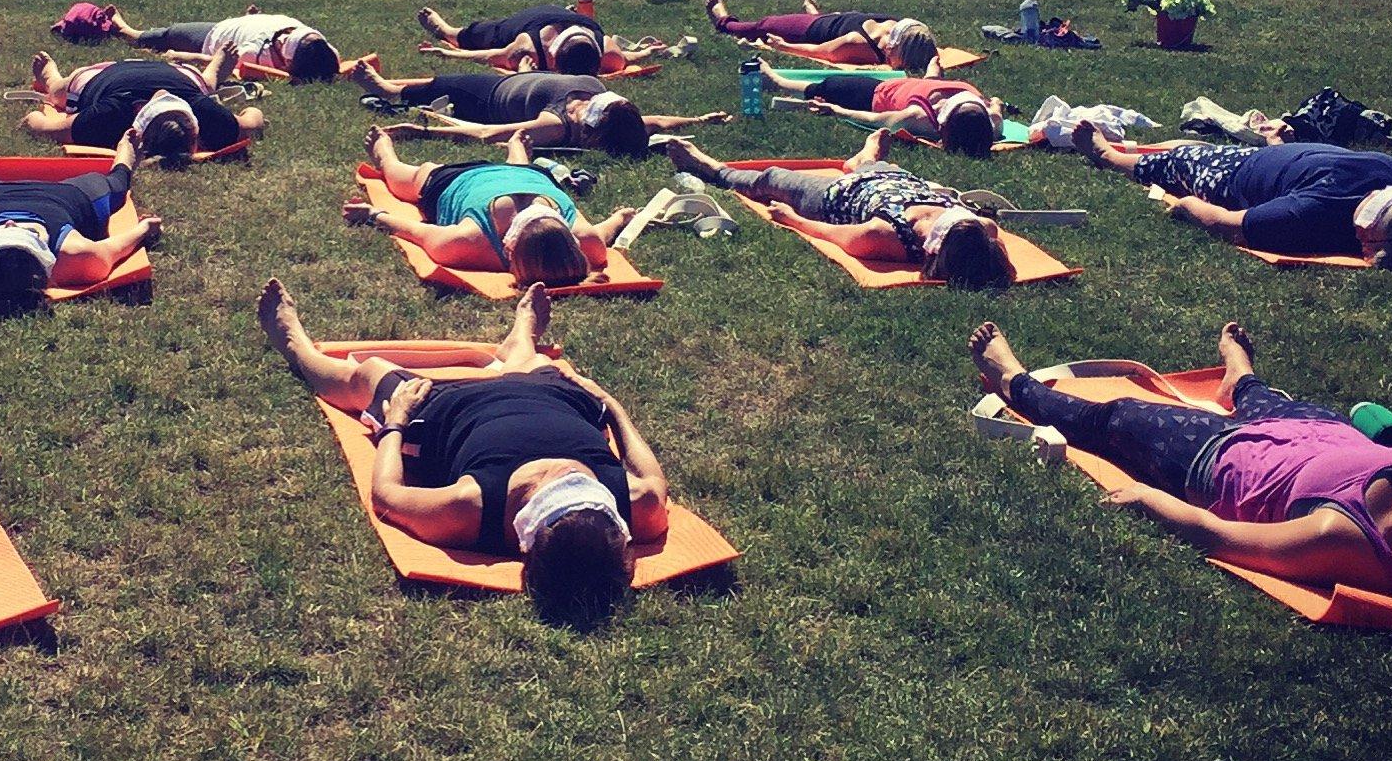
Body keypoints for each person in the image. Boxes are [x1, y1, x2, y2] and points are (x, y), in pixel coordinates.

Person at [968, 320, 1392, 648]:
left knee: (1113, 418)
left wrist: (1150, 502)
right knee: (1265, 398)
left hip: (1218, 460)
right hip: (1319, 432)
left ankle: (1015, 380)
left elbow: (1219, 535)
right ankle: (1241, 377)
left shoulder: (1340, 540)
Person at [257, 276, 669, 623]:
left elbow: (386, 495)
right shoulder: (640, 504)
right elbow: (649, 471)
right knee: (531, 366)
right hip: (554, 397)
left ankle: (296, 347)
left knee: (368, 374)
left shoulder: (469, 508)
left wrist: (396, 422)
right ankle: (521, 338)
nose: (561, 473)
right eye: (577, 484)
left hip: (446, 409)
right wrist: (611, 406)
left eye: (558, 488)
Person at [1068, 126, 1392, 272]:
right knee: (1195, 147)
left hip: (1237, 176)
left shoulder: (1306, 213)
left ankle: (1109, 156)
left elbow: (1224, 221)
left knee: (1180, 159)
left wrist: (1183, 205)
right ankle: (1146, 149)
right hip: (1283, 158)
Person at [662, 130, 1017, 287]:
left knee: (770, 178)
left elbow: (831, 233)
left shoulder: (886, 238)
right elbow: (993, 243)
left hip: (837, 196)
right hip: (898, 183)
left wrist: (794, 219)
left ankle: (712, 169)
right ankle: (864, 158)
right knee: (873, 166)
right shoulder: (981, 229)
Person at [0, 128, 163, 306]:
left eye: (2, 231)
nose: (12, 223)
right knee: (115, 190)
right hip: (68, 194)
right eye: (26, 234)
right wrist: (144, 229)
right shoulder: (77, 257)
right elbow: (117, 246)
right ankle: (124, 159)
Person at [345, 126, 633, 288]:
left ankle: (518, 152)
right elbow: (415, 230)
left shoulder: (586, 241)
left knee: (519, 172)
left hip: (529, 177)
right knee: (399, 177)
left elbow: (600, 232)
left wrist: (618, 218)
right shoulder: (470, 242)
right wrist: (374, 215)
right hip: (460, 179)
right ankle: (384, 153)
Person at [349, 60, 724, 157]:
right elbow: (654, 121)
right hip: (509, 84)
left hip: (488, 99)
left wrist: (423, 132)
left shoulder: (559, 124)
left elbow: (485, 133)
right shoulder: (598, 115)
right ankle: (391, 93)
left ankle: (391, 93)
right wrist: (696, 120)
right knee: (441, 83)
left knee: (444, 85)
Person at [23, 49, 262, 160]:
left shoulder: (107, 118)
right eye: (167, 98)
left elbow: (38, 125)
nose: (160, 91)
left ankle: (51, 78)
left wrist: (40, 116)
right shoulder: (207, 116)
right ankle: (213, 73)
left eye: (159, 99)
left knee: (57, 93)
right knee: (206, 85)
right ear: (196, 130)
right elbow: (253, 120)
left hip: (105, 74)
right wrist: (246, 116)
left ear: (137, 115)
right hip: (179, 76)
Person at [765, 63, 1007, 158]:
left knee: (829, 86)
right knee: (829, 85)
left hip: (900, 90)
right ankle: (776, 80)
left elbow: (874, 119)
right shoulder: (991, 124)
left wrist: (836, 110)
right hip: (896, 88)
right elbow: (875, 119)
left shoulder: (989, 123)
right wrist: (838, 110)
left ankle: (776, 80)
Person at [415, 3, 668, 77]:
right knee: (488, 34)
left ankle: (569, 9)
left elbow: (627, 57)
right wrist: (448, 52)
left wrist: (648, 52)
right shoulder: (529, 48)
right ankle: (449, 30)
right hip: (532, 22)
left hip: (573, 20)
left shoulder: (609, 55)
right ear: (554, 59)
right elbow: (490, 55)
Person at [705, 0, 939, 75]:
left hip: (839, 21)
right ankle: (724, 21)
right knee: (763, 25)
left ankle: (816, 13)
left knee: (832, 20)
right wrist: (783, 46)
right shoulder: (859, 44)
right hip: (812, 29)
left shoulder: (904, 30)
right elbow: (821, 52)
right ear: (894, 46)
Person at [105, 8, 346, 84]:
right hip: (224, 31)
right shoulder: (258, 53)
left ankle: (129, 32)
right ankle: (128, 31)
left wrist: (184, 56)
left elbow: (223, 59)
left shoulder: (316, 41)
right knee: (164, 35)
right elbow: (225, 61)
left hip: (226, 32)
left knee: (169, 34)